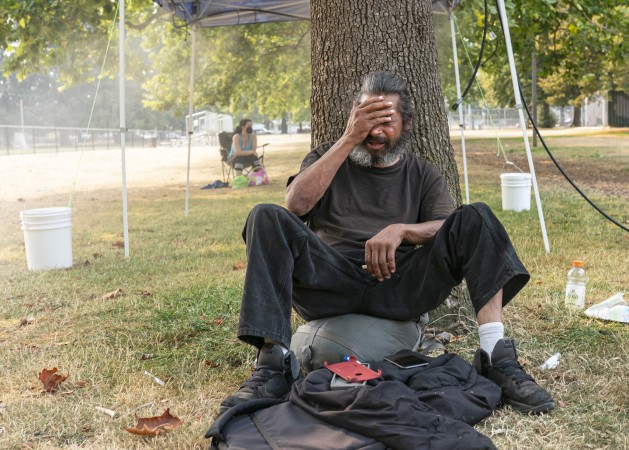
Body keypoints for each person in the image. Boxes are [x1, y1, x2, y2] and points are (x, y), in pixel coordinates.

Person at [219, 71, 554, 416]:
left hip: (399, 287)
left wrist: (402, 231)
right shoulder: (325, 157)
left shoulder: (422, 173)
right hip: (330, 283)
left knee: (476, 216)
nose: (375, 133)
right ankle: (272, 365)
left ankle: (495, 356)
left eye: (386, 121)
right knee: (265, 215)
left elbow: (446, 225)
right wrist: (349, 139)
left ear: (406, 123)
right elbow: (295, 206)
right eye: (367, 120)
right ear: (353, 117)